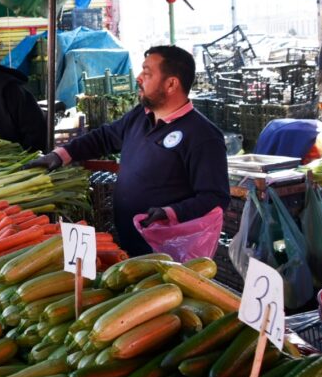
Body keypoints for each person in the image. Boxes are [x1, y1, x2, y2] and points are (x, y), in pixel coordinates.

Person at [25, 46, 230, 256]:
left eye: (147, 73)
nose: (139, 77)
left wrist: (170, 213)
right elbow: (104, 138)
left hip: (165, 251)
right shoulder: (140, 116)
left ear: (171, 84)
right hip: (128, 241)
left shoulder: (203, 135)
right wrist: (61, 155)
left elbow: (215, 197)